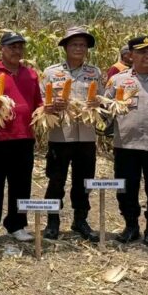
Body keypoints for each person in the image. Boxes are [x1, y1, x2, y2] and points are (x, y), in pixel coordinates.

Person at [0, 32, 43, 244]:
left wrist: (44, 110)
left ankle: (17, 224)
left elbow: (37, 101)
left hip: (24, 138)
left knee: (21, 185)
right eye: (12, 46)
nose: (17, 50)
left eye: (20, 46)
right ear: (1, 48)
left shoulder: (30, 74)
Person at [105, 35, 148, 248]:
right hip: (126, 145)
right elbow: (106, 112)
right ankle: (131, 226)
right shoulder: (118, 81)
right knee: (126, 188)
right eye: (142, 52)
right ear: (130, 55)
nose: (147, 56)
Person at [40, 27, 101, 241]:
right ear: (65, 47)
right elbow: (40, 102)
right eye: (74, 44)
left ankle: (80, 220)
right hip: (60, 136)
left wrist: (97, 102)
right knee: (56, 180)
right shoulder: (50, 73)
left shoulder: (95, 72)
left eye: (83, 45)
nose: (79, 48)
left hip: (86, 136)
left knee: (84, 180)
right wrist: (49, 104)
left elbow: (102, 101)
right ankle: (52, 221)